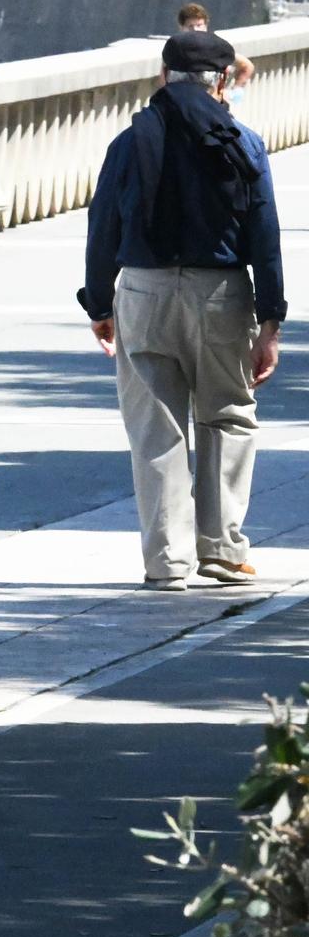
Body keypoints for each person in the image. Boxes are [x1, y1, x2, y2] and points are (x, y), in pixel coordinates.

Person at [79, 31, 286, 591]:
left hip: (143, 293)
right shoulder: (242, 142)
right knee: (227, 416)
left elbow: (103, 226)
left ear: (162, 75)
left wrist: (100, 301)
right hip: (220, 294)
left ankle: (167, 561)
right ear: (222, 81)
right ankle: (222, 549)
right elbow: (264, 237)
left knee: (155, 429)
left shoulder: (130, 142)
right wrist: (269, 321)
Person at [176, 3, 256, 97]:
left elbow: (247, 66)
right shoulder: (174, 50)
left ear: (206, 26)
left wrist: (235, 92)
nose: (195, 30)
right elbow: (163, 81)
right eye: (190, 26)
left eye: (199, 25)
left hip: (210, 106)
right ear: (181, 27)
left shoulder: (216, 48)